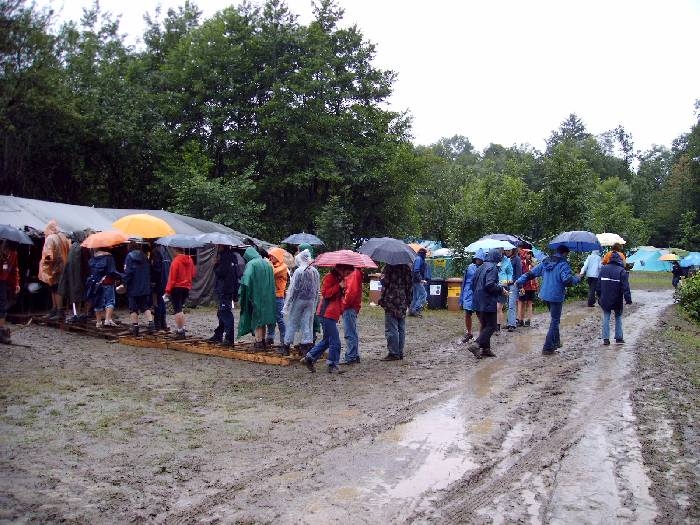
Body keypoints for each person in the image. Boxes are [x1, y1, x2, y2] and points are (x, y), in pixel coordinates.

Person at [516, 245, 581, 355]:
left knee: (554, 318)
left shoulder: (546, 262)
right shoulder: (563, 264)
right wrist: (577, 278)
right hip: (556, 296)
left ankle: (556, 342)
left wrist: (519, 281)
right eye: (567, 254)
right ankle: (548, 347)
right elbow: (567, 281)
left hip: (545, 295)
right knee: (555, 320)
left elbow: (531, 273)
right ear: (565, 253)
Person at [300, 264, 353, 373]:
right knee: (335, 341)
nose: (348, 275)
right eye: (347, 273)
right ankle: (332, 365)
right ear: (341, 269)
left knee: (327, 340)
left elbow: (338, 299)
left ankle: (309, 358)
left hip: (331, 314)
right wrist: (339, 286)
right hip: (326, 313)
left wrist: (340, 310)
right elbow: (326, 294)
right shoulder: (329, 277)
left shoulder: (339, 279)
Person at [467, 248, 507, 359]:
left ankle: (486, 349)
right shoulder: (492, 268)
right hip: (487, 301)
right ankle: (477, 344)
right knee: (492, 326)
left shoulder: (480, 267)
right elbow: (490, 285)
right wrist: (501, 290)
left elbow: (472, 284)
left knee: (485, 325)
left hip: (477, 301)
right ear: (496, 258)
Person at [282, 249, 320, 356]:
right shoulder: (315, 271)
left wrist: (287, 305)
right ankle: (305, 346)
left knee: (292, 322)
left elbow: (293, 289)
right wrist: (315, 303)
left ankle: (286, 345)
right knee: (307, 323)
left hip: (299, 300)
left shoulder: (299, 271)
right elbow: (317, 289)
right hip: (310, 301)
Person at [238, 246, 276, 350]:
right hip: (268, 296)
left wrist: (241, 292)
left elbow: (246, 279)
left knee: (257, 319)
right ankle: (263, 340)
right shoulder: (267, 263)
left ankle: (258, 342)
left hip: (257, 296)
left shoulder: (252, 264)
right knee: (263, 319)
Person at [378, 263, 413, 361]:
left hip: (391, 300)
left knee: (391, 328)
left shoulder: (389, 267)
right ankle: (400, 352)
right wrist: (409, 301)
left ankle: (393, 353)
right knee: (401, 328)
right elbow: (410, 286)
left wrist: (381, 278)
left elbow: (385, 282)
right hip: (402, 300)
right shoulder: (407, 268)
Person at [596, 252, 632, 345]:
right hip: (617, 299)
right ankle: (619, 338)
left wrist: (599, 297)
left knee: (606, 316)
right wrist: (628, 299)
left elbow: (598, 285)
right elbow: (625, 287)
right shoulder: (621, 271)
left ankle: (606, 339)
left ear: (610, 259)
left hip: (605, 298)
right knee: (618, 316)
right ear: (619, 260)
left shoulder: (603, 269)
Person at [208, 245, 240, 347]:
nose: (217, 246)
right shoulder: (233, 256)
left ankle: (229, 338)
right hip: (229, 288)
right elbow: (236, 275)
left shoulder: (225, 257)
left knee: (225, 313)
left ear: (223, 245)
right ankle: (218, 334)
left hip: (225, 289)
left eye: (219, 245)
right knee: (221, 312)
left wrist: (215, 264)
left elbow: (221, 273)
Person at [38, 220, 70, 320]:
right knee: (55, 288)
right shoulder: (63, 237)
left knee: (55, 289)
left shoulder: (50, 238)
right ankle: (55, 309)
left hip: (53, 267)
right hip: (63, 267)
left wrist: (45, 266)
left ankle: (59, 310)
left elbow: (48, 254)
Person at [58, 229, 92, 322]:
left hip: (73, 275)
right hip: (80, 275)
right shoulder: (82, 247)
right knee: (82, 295)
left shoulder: (73, 247)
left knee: (76, 295)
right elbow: (85, 263)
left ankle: (76, 313)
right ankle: (82, 313)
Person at [123, 242, 155, 336]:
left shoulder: (129, 256)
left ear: (129, 247)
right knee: (145, 306)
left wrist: (124, 283)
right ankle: (151, 323)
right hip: (144, 286)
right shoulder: (145, 256)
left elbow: (128, 272)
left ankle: (135, 327)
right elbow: (149, 270)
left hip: (133, 286)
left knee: (133, 308)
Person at [164, 247, 196, 340]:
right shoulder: (190, 260)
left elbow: (172, 278)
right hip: (186, 288)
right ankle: (182, 328)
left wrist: (167, 291)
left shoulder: (176, 261)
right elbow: (193, 274)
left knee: (177, 310)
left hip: (176, 288)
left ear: (176, 250)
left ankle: (180, 331)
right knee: (180, 309)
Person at [86, 248, 118, 328]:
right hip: (107, 282)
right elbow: (112, 271)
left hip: (96, 283)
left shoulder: (92, 259)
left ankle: (98, 322)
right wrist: (120, 277)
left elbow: (90, 271)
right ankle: (107, 320)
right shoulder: (109, 257)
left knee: (97, 302)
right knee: (110, 301)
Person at [266, 247, 289, 346]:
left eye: (273, 256)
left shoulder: (283, 267)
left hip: (278, 296)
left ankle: (284, 340)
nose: (270, 257)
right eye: (270, 256)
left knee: (279, 319)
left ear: (278, 256)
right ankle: (270, 337)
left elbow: (272, 273)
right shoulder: (273, 265)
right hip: (270, 295)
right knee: (270, 317)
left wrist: (269, 264)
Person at [341, 266, 363, 365]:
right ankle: (354, 355)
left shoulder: (353, 273)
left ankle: (351, 356)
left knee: (349, 332)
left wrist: (344, 304)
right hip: (352, 306)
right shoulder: (356, 272)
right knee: (352, 331)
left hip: (349, 307)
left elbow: (351, 292)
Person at [458, 252, 481, 343]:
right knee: (468, 313)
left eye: (479, 259)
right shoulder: (469, 267)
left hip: (478, 293)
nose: (478, 260)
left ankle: (481, 335)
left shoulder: (484, 268)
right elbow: (464, 282)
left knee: (480, 314)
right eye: (476, 258)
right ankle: (469, 332)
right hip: (468, 293)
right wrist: (461, 297)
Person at [0, 240, 20, 344]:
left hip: (2, 281)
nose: (8, 252)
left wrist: (16, 284)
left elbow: (14, 270)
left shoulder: (13, 254)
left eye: (10, 251)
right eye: (7, 250)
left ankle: (1, 332)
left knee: (2, 306)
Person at [150, 243, 171, 331]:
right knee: (162, 302)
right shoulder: (166, 251)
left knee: (157, 302)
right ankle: (163, 324)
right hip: (166, 280)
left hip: (159, 282)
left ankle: (158, 324)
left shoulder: (156, 252)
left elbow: (156, 269)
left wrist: (153, 281)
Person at [517, 249, 537, 327]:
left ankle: (528, 320)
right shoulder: (521, 263)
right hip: (523, 286)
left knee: (529, 303)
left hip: (531, 286)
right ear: (523, 254)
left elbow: (536, 273)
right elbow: (519, 274)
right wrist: (520, 286)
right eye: (527, 254)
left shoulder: (533, 263)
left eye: (530, 254)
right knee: (521, 303)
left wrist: (532, 264)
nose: (529, 255)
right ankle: (520, 320)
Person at [496, 248, 513, 332]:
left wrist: (507, 281)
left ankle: (498, 326)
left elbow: (510, 273)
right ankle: (493, 325)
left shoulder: (507, 261)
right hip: (494, 285)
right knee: (494, 307)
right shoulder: (494, 260)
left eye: (501, 251)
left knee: (498, 307)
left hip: (503, 285)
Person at [408, 248, 428, 317]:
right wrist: (420, 280)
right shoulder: (419, 259)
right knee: (423, 294)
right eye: (425, 254)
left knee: (415, 297)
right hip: (417, 280)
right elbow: (416, 270)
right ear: (423, 254)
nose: (425, 255)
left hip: (414, 280)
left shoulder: (417, 259)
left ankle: (411, 311)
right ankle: (415, 310)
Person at [506, 247, 522, 331]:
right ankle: (509, 322)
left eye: (509, 250)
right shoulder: (506, 259)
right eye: (506, 250)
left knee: (511, 304)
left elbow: (519, 273)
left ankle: (512, 324)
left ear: (513, 250)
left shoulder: (517, 259)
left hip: (513, 285)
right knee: (508, 304)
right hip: (506, 284)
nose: (507, 251)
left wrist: (520, 286)